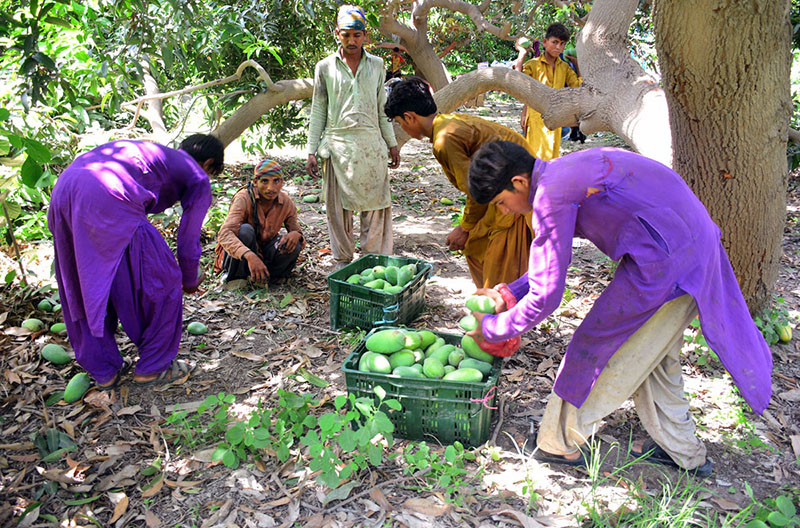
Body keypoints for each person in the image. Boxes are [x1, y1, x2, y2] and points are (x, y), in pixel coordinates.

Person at [466, 141, 773, 478]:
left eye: (501, 202)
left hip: (667, 263)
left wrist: (492, 328)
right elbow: (552, 261)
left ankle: (560, 442)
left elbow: (547, 296)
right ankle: (682, 448)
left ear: (519, 183)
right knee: (654, 353)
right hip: (683, 247)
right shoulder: (563, 173)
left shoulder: (551, 194)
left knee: (598, 345)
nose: (506, 212)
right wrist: (511, 290)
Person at [48, 135, 224, 388]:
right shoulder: (197, 175)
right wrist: (189, 279)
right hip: (109, 196)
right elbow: (188, 239)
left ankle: (103, 370)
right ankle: (152, 366)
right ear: (208, 163)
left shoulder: (152, 153)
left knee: (84, 282)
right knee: (164, 282)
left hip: (63, 191)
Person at [384, 76, 533, 288]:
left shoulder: (444, 141)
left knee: (501, 268)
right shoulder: (447, 122)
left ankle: (505, 315)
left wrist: (464, 228)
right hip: (505, 187)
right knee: (477, 246)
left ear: (409, 117)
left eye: (400, 123)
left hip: (513, 193)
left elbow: (476, 190)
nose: (403, 128)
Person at [306, 5, 400, 269]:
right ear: (337, 34)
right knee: (338, 212)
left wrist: (391, 144)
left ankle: (374, 264)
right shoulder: (325, 67)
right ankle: (343, 263)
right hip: (337, 148)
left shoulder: (378, 65)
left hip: (371, 147)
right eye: (346, 35)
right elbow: (318, 109)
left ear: (365, 36)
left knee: (376, 207)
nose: (351, 41)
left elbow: (382, 108)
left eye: (356, 35)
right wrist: (311, 150)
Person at [214, 159, 304, 283]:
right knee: (245, 231)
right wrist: (249, 255)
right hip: (243, 258)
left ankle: (270, 277)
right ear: (256, 182)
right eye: (265, 181)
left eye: (276, 181)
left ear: (282, 182)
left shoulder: (286, 202)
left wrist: (296, 235)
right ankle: (237, 278)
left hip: (265, 253)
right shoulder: (244, 198)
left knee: (294, 242)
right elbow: (225, 234)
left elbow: (298, 233)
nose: (270, 188)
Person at [513, 23, 581, 160]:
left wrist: (578, 64)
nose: (558, 47)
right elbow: (517, 80)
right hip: (536, 117)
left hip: (555, 118)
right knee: (535, 157)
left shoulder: (565, 68)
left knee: (551, 156)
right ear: (545, 42)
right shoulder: (533, 64)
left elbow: (578, 87)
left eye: (562, 44)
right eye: (555, 42)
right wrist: (522, 54)